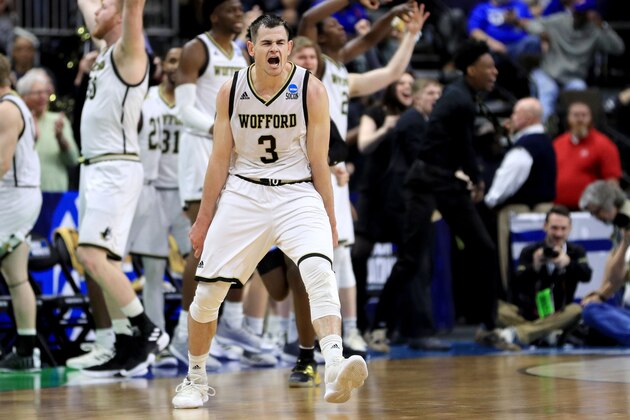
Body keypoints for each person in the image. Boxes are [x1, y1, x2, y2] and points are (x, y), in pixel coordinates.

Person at [172, 14, 368, 409]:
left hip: (296, 193)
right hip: (244, 193)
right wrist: (203, 219)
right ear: (251, 49)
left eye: (280, 43)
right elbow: (219, 159)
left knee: (318, 270)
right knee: (209, 293)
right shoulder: (230, 90)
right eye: (266, 43)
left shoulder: (310, 90)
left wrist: (329, 218)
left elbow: (319, 163)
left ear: (290, 48)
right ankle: (194, 378)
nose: (274, 49)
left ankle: (333, 362)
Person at [366, 39, 518, 352]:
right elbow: (464, 146)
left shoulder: (464, 97)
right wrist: (476, 179)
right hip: (425, 183)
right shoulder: (459, 99)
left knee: (484, 248)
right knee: (411, 259)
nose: (494, 72)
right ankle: (377, 327)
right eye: (488, 67)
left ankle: (487, 325)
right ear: (472, 69)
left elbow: (463, 146)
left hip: (446, 183)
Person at [298, 0, 428, 354]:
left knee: (342, 257)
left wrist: (408, 33)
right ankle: (295, 335)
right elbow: (311, 17)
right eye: (335, 25)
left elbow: (383, 68)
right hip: (307, 169)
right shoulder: (311, 69)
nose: (341, 25)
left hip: (336, 171)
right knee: (306, 260)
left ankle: (348, 330)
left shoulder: (339, 71)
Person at [73, 0, 168, 377]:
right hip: (95, 168)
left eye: (103, 7)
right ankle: (126, 343)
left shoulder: (129, 52)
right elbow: (87, 5)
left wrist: (127, 7)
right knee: (106, 263)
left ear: (119, 13)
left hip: (115, 166)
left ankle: (148, 330)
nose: (95, 13)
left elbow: (133, 9)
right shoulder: (103, 51)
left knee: (92, 257)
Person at [169, 0, 262, 367]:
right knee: (201, 245)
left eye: (241, 9)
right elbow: (184, 109)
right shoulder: (197, 48)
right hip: (198, 154)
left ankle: (229, 326)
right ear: (212, 14)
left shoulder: (240, 53)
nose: (239, 14)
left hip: (232, 155)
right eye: (231, 8)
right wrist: (218, 130)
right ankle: (181, 331)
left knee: (240, 241)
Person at [126, 46, 190, 368]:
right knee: (152, 273)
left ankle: (192, 336)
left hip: (186, 194)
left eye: (183, 61)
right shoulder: (145, 98)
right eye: (172, 60)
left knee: (201, 267)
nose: (177, 66)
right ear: (162, 65)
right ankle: (157, 343)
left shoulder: (195, 100)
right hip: (151, 192)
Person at [484, 97, 556, 291]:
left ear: (528, 117)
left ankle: (515, 299)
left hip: (517, 212)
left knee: (514, 261)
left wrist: (489, 202)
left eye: (516, 113)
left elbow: (506, 182)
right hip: (545, 211)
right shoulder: (545, 141)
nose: (512, 117)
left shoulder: (525, 147)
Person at [496, 205, 591, 347]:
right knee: (496, 308)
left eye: (563, 228)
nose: (558, 233)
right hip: (529, 314)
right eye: (554, 228)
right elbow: (516, 284)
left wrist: (568, 264)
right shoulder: (530, 251)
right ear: (545, 226)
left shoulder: (576, 251)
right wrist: (535, 266)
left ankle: (520, 333)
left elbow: (587, 275)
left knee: (577, 311)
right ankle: (544, 333)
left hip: (560, 314)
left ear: (570, 229)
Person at [0, 53, 42, 371]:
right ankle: (26, 349)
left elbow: (1, 164)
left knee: (15, 274)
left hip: (12, 196)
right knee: (16, 276)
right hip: (20, 193)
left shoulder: (6, 109)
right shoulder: (15, 105)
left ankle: (27, 348)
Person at [522, 0, 625, 121]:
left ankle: (574, 131)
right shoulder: (560, 20)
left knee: (580, 90)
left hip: (572, 78)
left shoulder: (595, 31)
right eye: (577, 11)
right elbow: (532, 24)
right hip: (548, 74)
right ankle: (546, 128)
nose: (578, 15)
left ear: (590, 14)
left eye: (582, 12)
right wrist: (543, 34)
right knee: (548, 91)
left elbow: (618, 48)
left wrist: (603, 25)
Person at [579, 181, 630, 346]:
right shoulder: (619, 224)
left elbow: (618, 277)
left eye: (596, 212)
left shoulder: (626, 219)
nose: (597, 218)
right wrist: (600, 294)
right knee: (591, 309)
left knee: (592, 311)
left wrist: (602, 294)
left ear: (608, 205)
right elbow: (613, 265)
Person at [16, 68, 80, 192]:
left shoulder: (58, 121)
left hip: (56, 196)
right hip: (24, 194)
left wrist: (60, 138)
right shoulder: (17, 121)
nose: (43, 97)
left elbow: (73, 160)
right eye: (38, 93)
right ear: (24, 96)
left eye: (45, 92)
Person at [553, 101, 622, 210]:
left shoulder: (604, 144)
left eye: (584, 115)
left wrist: (608, 208)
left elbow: (612, 181)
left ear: (591, 118)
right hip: (560, 208)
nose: (580, 119)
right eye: (575, 115)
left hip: (591, 210)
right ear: (568, 118)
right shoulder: (558, 143)